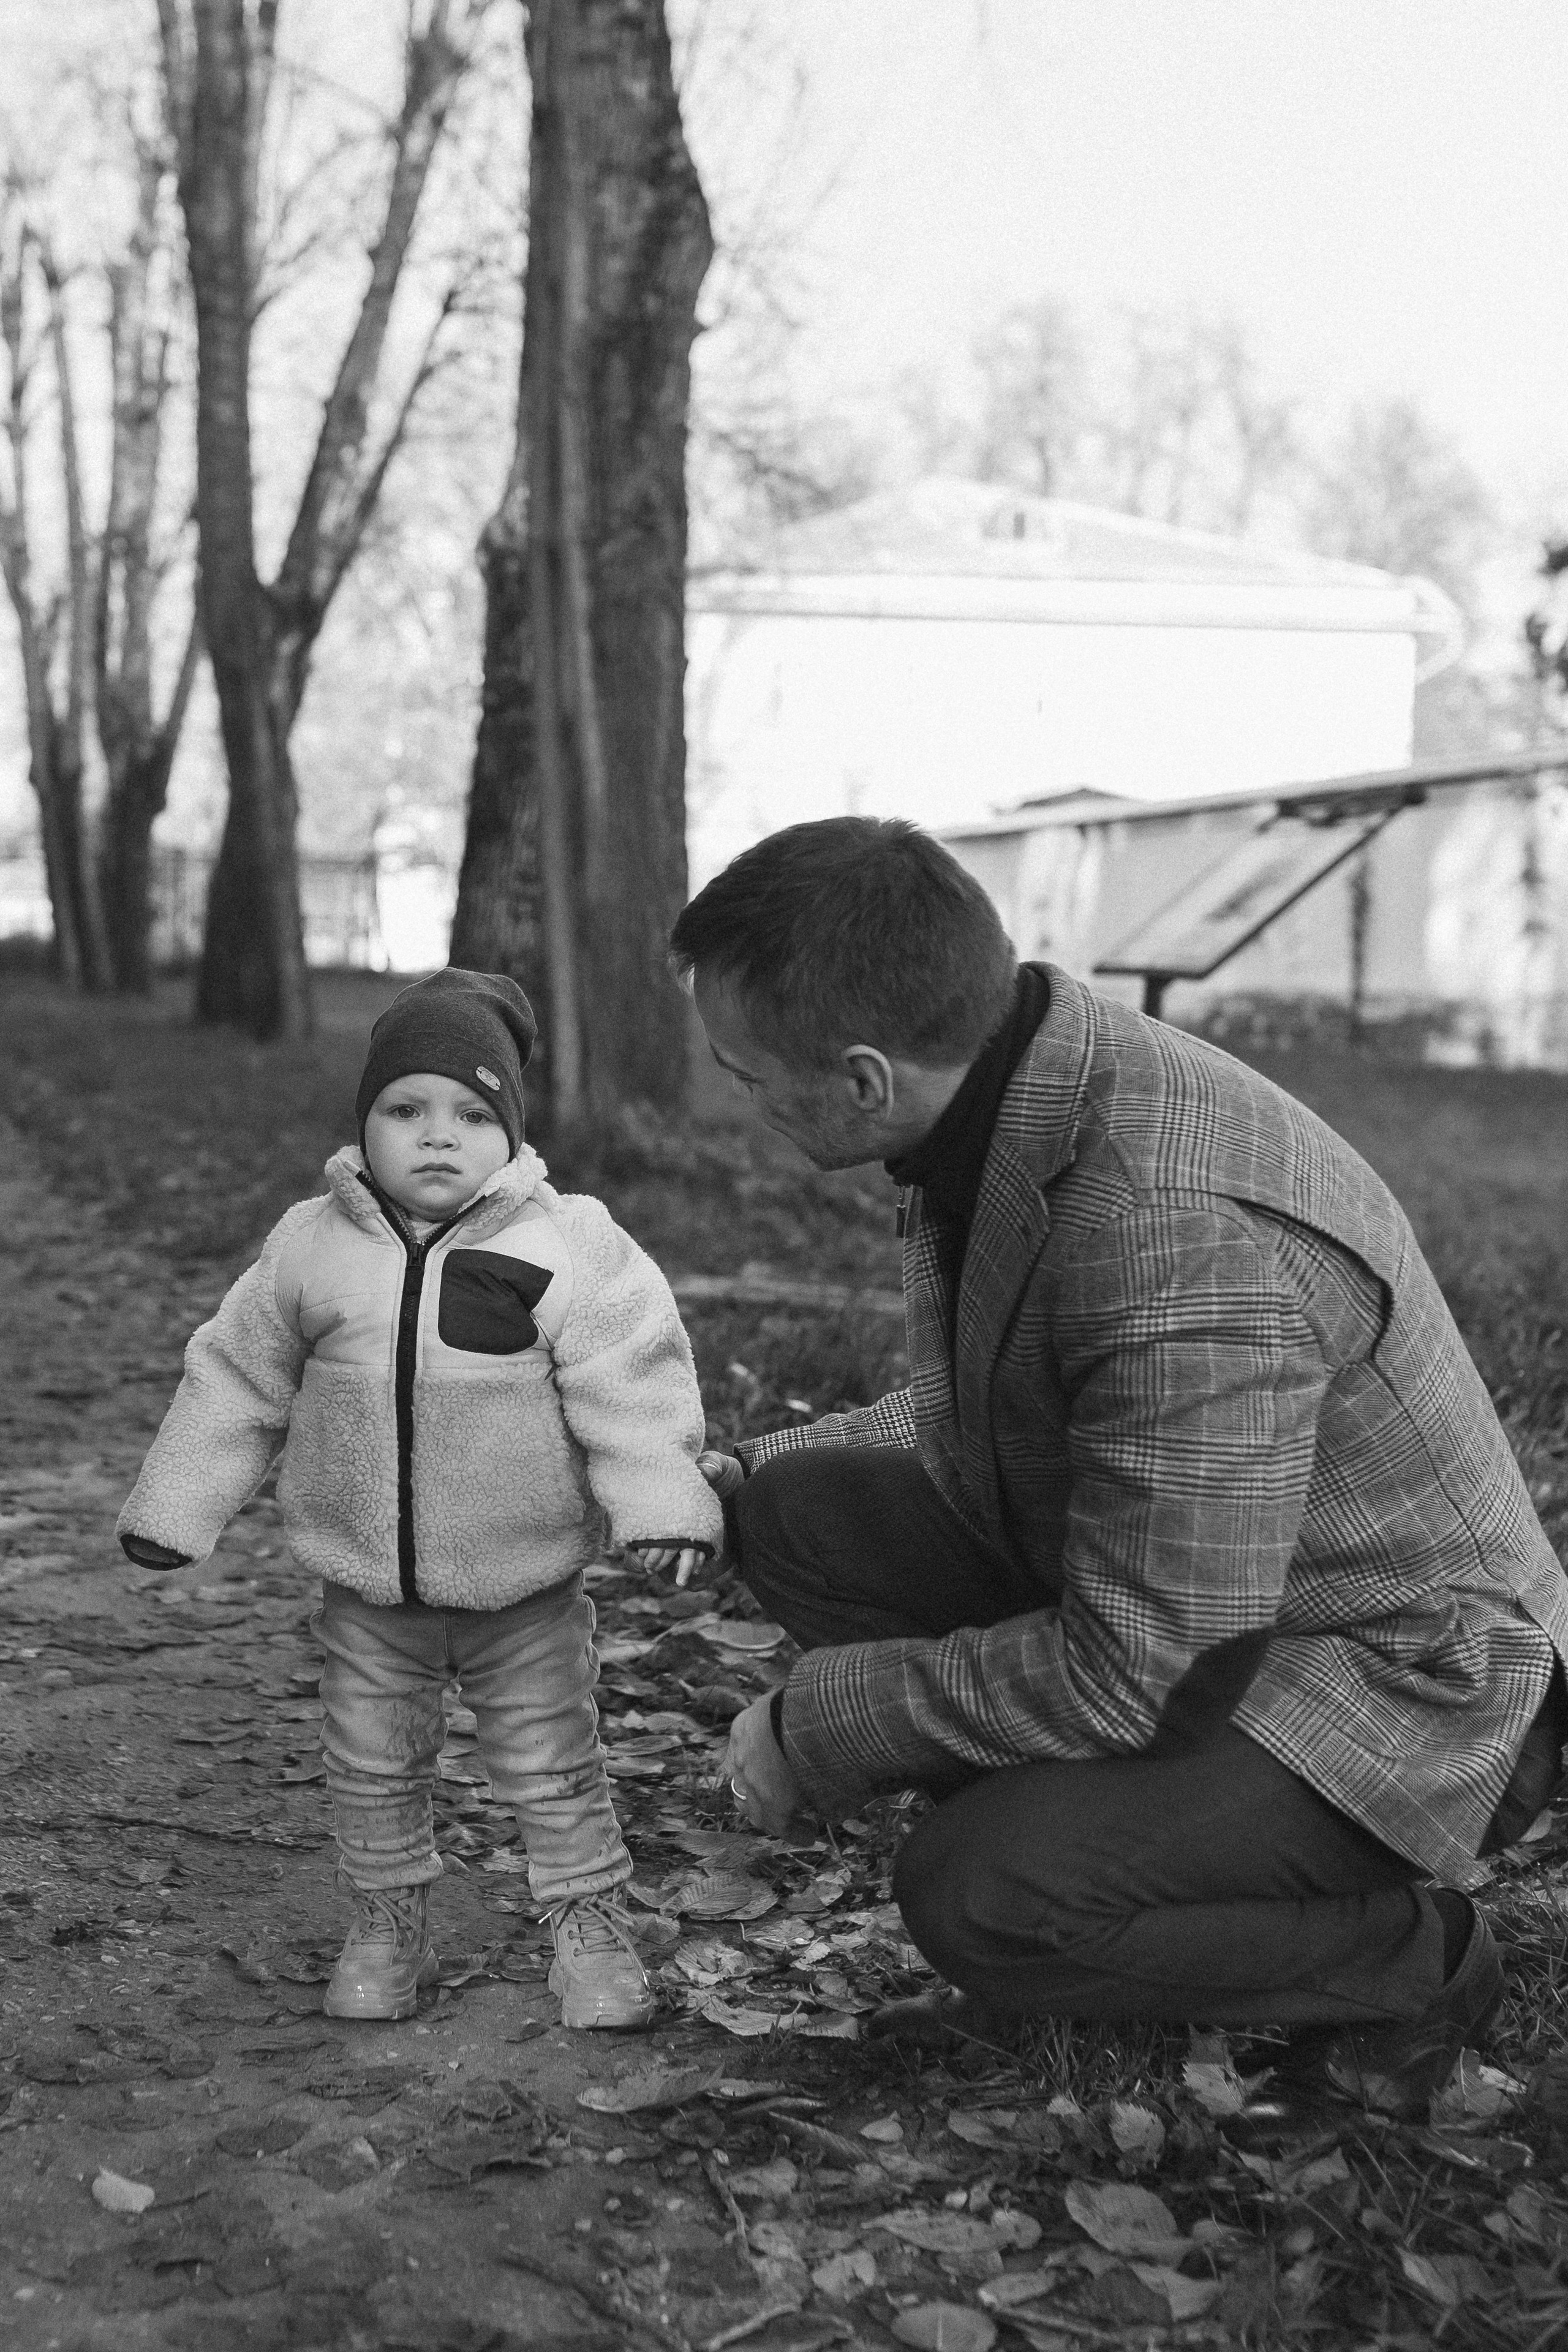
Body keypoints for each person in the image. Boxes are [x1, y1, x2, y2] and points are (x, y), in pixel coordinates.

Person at [673, 816, 1568, 2116]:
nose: (739, 1102)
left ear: (864, 1080)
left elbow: (1146, 1670)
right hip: (1211, 1613)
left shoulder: (1166, 1232)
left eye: (746, 1077)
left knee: (979, 1893)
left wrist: (819, 1724)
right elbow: (990, 1408)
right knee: (793, 1513)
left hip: (1392, 1681)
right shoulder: (1014, 1086)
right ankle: (1104, 1849)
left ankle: (1410, 1962)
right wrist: (742, 1467)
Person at [118, 968, 723, 2031]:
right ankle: (386, 1926)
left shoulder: (566, 1242)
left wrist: (664, 1503)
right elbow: (236, 1378)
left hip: (523, 1583)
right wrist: (178, 1508)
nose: (439, 1136)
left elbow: (631, 1378)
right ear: (364, 1122)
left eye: (473, 1115)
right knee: (370, 1760)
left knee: (550, 1759)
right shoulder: (310, 1244)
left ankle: (588, 1927)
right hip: (368, 1588)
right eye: (407, 1109)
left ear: (513, 1131)